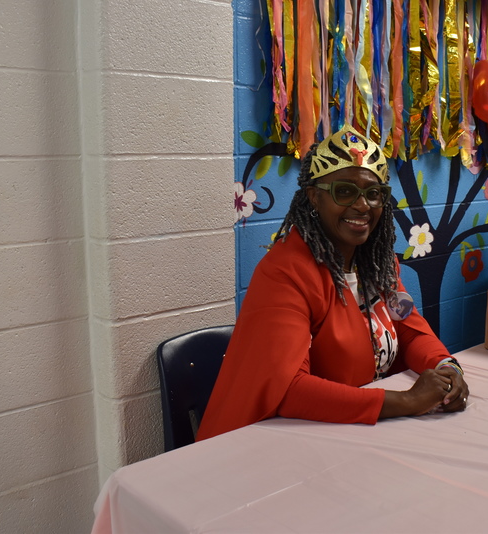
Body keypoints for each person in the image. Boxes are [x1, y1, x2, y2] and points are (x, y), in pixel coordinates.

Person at [196, 126, 469, 441]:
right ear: (314, 197)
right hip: (278, 441)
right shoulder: (284, 274)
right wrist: (406, 401)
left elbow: (408, 328)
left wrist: (448, 368)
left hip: (355, 434)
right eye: (344, 191)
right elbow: (288, 389)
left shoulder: (379, 266)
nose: (362, 205)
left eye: (373, 193)